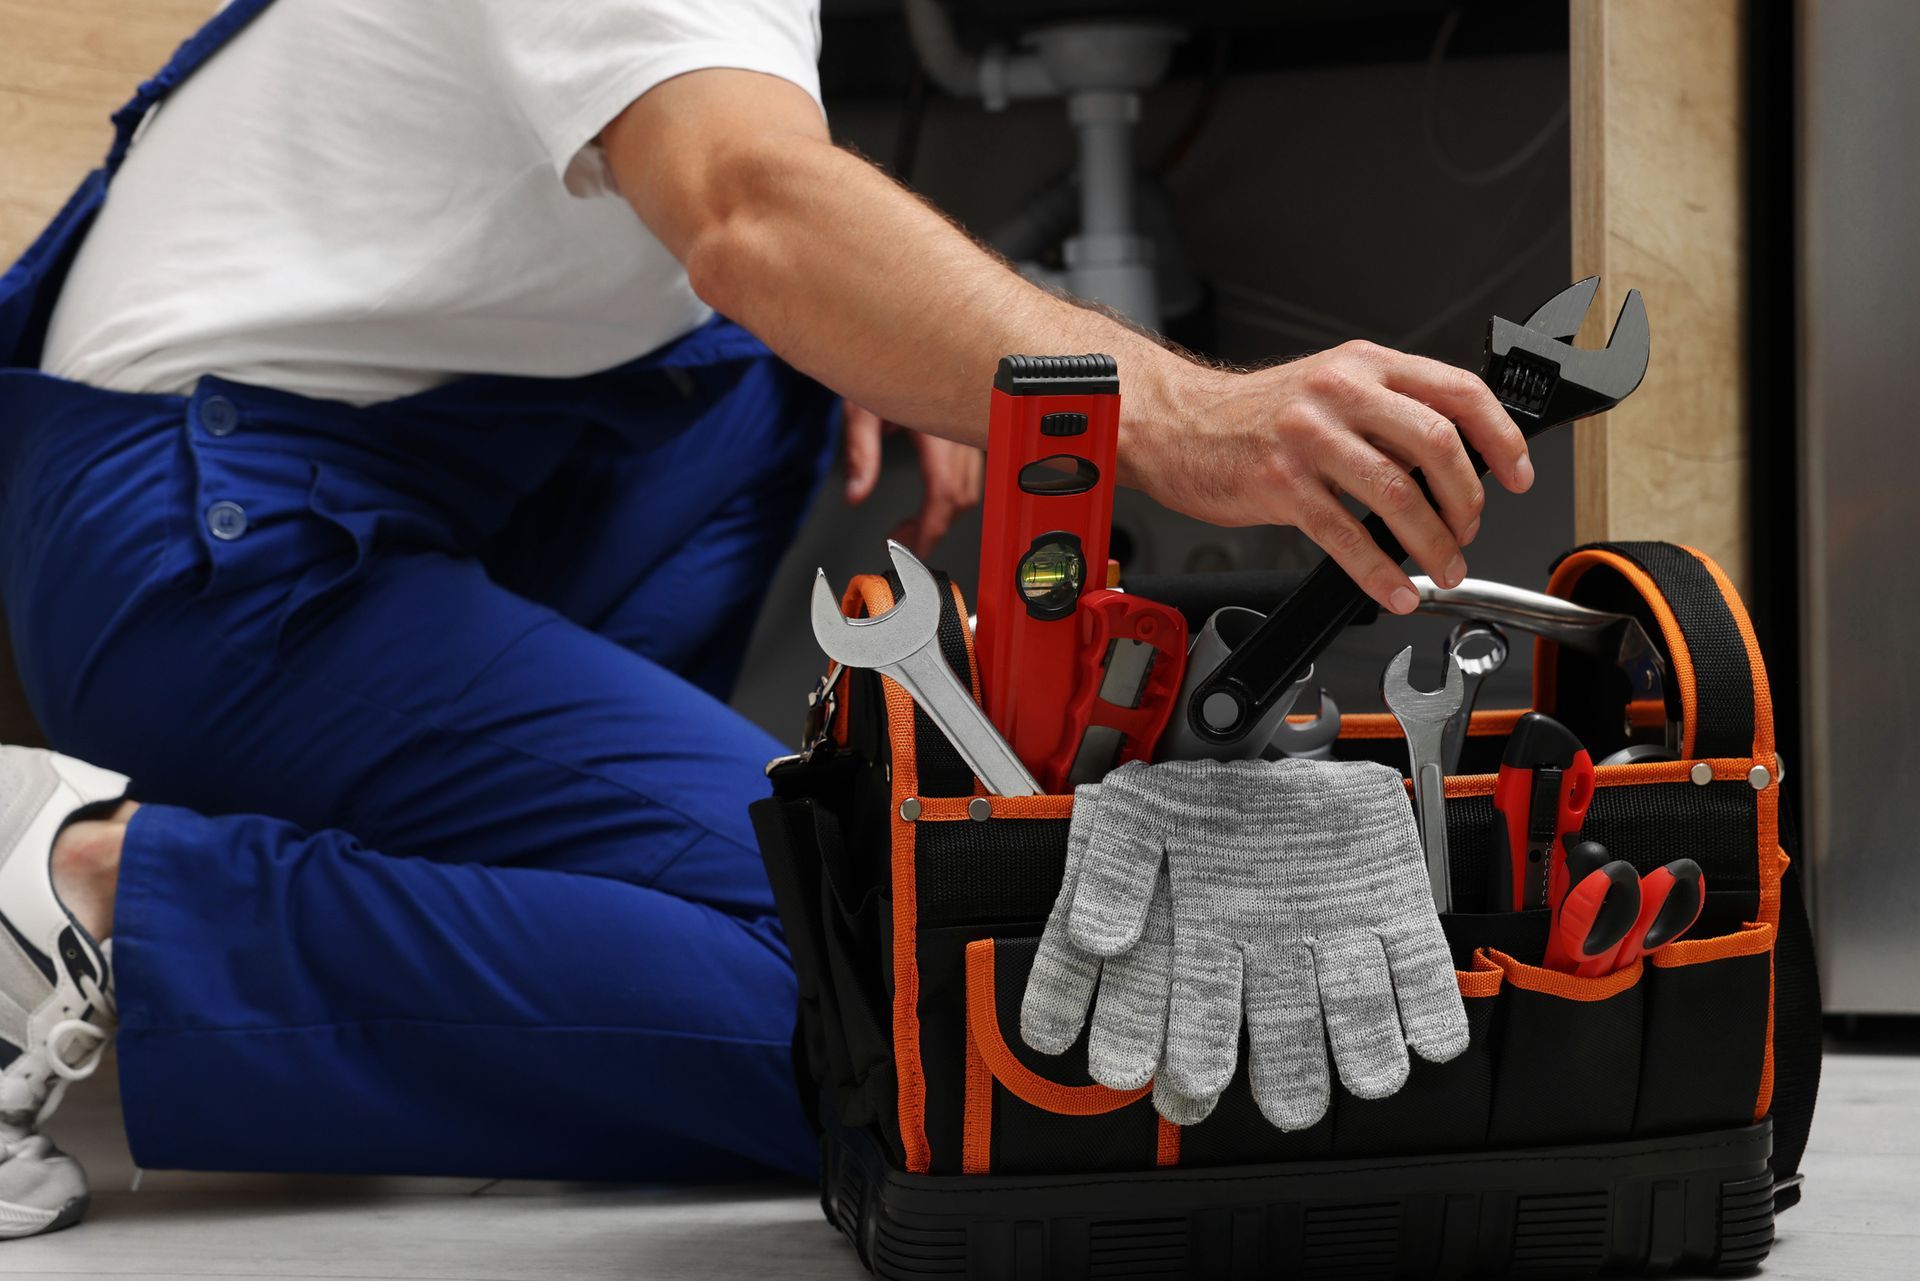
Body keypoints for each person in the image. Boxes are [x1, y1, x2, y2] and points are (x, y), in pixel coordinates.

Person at [0, 0, 1532, 1238]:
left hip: (344, 476)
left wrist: (883, 350)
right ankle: (85, 894)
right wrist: (1187, 411)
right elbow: (745, 208)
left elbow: (733, 223)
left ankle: (497, 935)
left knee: (779, 367)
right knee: (883, 1016)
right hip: (215, 539)